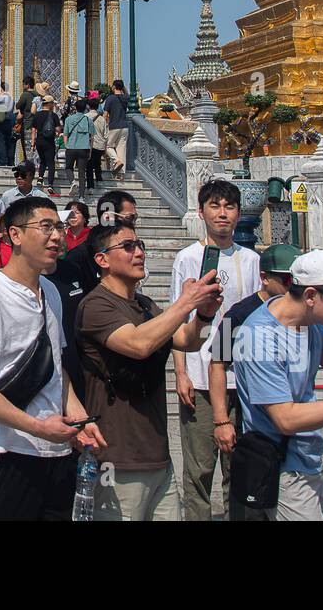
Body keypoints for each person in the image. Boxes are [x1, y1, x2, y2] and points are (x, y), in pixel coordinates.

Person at [0, 196, 106, 520]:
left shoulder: (51, 292)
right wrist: (37, 427)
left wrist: (80, 421)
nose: (57, 236)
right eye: (46, 227)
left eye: (59, 227)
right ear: (15, 235)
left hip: (56, 453)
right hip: (7, 456)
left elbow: (56, 371)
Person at [77, 223, 224, 521]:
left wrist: (204, 314)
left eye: (140, 244)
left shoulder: (145, 304)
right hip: (116, 456)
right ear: (102, 260)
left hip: (157, 454)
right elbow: (139, 344)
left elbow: (186, 340)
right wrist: (184, 304)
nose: (139, 253)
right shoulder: (95, 306)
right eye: (128, 247)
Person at [234, 249, 323, 520]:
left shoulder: (310, 323)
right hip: (283, 466)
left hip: (308, 459)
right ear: (310, 295)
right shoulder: (260, 338)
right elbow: (285, 418)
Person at [171, 179, 262, 521]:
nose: (222, 214)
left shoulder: (251, 260)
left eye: (229, 207)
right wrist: (181, 373)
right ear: (201, 212)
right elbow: (176, 319)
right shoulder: (187, 258)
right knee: (199, 467)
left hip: (243, 376)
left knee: (238, 465)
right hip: (200, 373)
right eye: (215, 206)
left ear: (238, 215)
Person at [207, 243, 298, 521]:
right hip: (253, 421)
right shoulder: (239, 314)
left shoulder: (302, 312)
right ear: (265, 278)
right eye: (286, 279)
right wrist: (222, 420)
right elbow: (218, 363)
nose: (292, 285)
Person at [30, 96, 62, 194]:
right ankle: (50, 184)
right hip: (49, 141)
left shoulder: (37, 115)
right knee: (50, 163)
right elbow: (58, 129)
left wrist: (32, 144)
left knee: (42, 160)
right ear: (50, 104)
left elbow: (33, 130)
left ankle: (40, 178)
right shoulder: (53, 115)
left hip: (39, 141)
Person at [62, 98, 93, 199]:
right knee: (81, 173)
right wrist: (90, 150)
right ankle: (81, 197)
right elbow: (91, 137)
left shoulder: (68, 119)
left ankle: (72, 182)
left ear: (75, 108)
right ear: (85, 109)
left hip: (71, 147)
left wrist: (67, 145)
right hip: (84, 148)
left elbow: (65, 135)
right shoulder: (88, 120)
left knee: (68, 167)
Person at [102, 79, 129, 180]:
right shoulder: (126, 97)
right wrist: (123, 89)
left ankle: (116, 160)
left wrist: (104, 126)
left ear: (113, 87)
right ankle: (121, 174)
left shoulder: (110, 98)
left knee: (107, 146)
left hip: (114, 126)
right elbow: (126, 93)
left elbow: (105, 115)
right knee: (121, 149)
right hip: (125, 127)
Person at [0, 82, 16, 166]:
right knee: (8, 142)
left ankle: (2, 161)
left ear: (1, 89)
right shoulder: (11, 99)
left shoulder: (3, 97)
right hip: (9, 123)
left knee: (0, 142)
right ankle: (9, 161)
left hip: (1, 123)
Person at [87, 92, 106, 192]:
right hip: (99, 144)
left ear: (89, 106)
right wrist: (105, 147)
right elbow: (105, 135)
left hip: (88, 144)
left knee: (89, 166)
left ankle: (90, 186)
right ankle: (99, 180)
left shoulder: (85, 117)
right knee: (97, 163)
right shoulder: (102, 119)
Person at [15, 76, 36, 165]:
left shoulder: (25, 94)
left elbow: (18, 105)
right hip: (37, 124)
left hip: (28, 124)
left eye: (24, 84)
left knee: (28, 147)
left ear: (27, 85)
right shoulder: (37, 94)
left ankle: (29, 167)